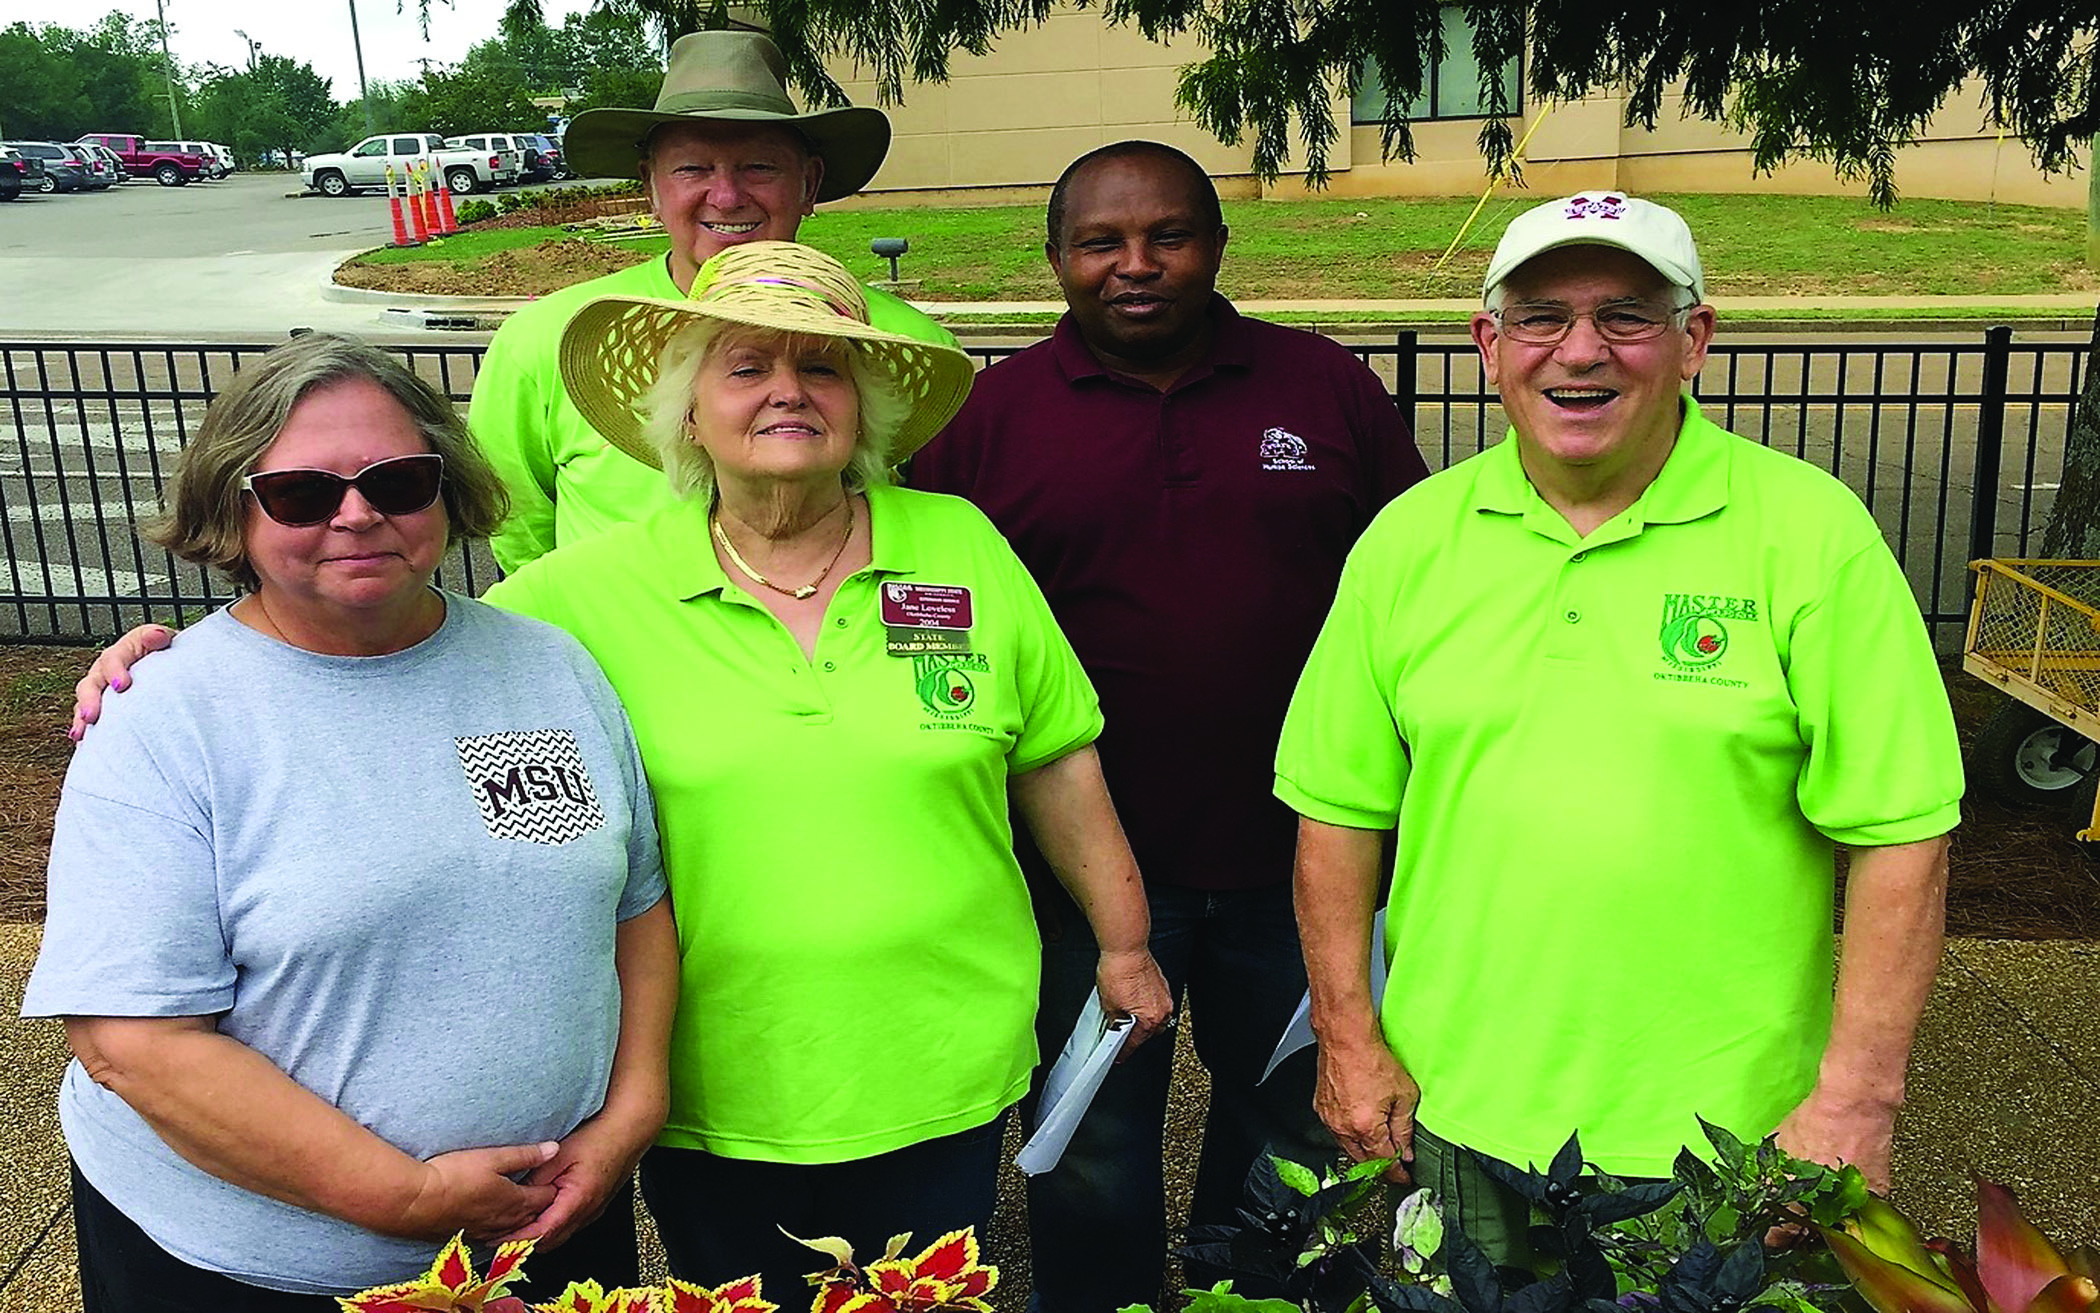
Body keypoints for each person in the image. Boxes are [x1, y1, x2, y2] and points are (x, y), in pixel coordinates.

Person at [1276, 192, 1964, 1266]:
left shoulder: (1811, 535)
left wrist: (1857, 1095)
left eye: (1627, 315)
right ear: (1489, 344)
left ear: (1695, 340)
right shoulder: (1406, 544)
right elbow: (1336, 811)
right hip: (1457, 1113)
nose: (1581, 350)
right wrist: (1348, 1038)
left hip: (1729, 1134)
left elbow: (1902, 831)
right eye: (1541, 316)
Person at [502, 238, 1170, 1296]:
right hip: (708, 1075)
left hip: (941, 1054)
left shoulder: (958, 543)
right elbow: (424, 679)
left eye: (821, 367)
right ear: (688, 413)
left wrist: (1125, 943)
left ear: (861, 410)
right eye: (746, 366)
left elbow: (1056, 760)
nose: (788, 390)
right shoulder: (581, 595)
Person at [23, 333, 677, 1308]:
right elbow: (133, 1039)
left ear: (445, 490)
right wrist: (404, 1196)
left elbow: (634, 906)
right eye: (302, 493)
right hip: (249, 1270)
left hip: (548, 1232)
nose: (359, 513)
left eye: (398, 481)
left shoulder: (546, 667)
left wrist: (629, 1116)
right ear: (233, 510)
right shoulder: (165, 718)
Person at [909, 140, 1430, 1312]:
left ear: (1218, 246)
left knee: (1290, 1131)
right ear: (1056, 258)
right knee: (1091, 1139)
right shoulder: (987, 420)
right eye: (1102, 242)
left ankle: (1251, 1300)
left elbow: (1418, 590)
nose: (1135, 264)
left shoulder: (1324, 389)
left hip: (1303, 858)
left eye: (1169, 236)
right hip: (1078, 877)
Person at [473, 28, 957, 572]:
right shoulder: (550, 340)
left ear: (809, 183)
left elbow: (932, 533)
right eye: (692, 168)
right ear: (651, 187)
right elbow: (517, 530)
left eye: (760, 167)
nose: (726, 197)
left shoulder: (907, 347)